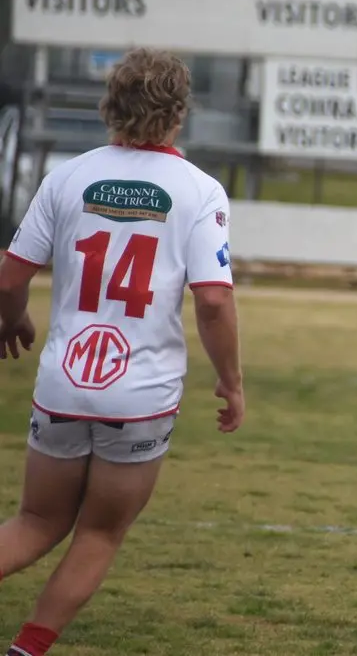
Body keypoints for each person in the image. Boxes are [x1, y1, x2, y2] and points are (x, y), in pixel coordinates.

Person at [0, 48, 244, 656]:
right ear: (179, 113)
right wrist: (231, 381)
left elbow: (8, 279)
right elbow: (214, 301)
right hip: (140, 394)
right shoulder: (200, 190)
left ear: (109, 105)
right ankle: (27, 650)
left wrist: (14, 319)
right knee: (100, 533)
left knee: (35, 523)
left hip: (63, 380)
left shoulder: (68, 177)